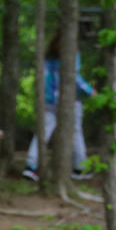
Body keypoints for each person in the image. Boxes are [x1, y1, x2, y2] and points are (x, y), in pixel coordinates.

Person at [23, 32, 95, 183]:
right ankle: (80, 168)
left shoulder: (48, 58)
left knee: (43, 132)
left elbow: (44, 79)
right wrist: (90, 91)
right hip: (70, 102)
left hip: (49, 101)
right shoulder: (72, 55)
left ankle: (31, 165)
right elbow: (74, 77)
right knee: (75, 133)